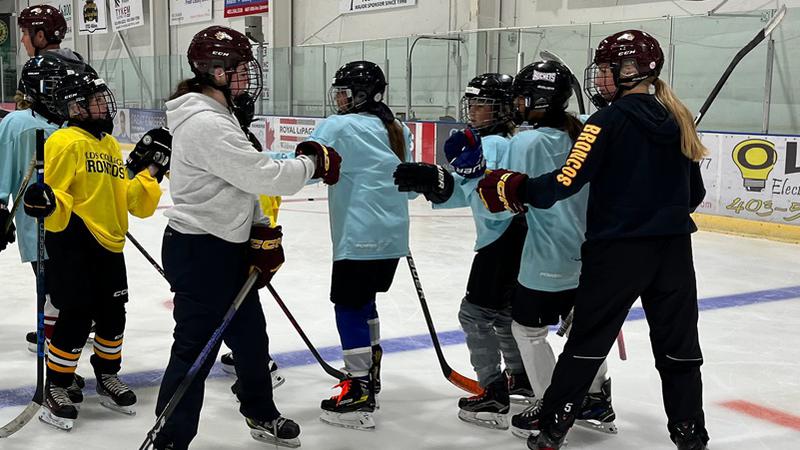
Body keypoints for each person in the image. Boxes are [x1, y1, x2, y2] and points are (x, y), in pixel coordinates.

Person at [477, 30, 708, 450]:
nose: (599, 79)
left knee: (586, 344)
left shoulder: (606, 121)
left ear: (631, 70)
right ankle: (690, 433)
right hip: (674, 253)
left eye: (606, 69)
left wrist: (517, 187)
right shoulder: (679, 118)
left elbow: (564, 182)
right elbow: (694, 195)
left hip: (617, 253)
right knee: (679, 348)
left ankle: (552, 429)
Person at [153, 26, 340, 449]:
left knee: (251, 340)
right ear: (217, 71)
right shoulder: (205, 122)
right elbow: (262, 175)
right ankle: (169, 439)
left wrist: (259, 230)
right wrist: (311, 164)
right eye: (240, 69)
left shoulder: (219, 116)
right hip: (201, 249)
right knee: (195, 351)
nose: (247, 77)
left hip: (224, 246)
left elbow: (240, 184)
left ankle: (260, 412)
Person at [22, 70, 165, 431]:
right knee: (76, 315)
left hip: (110, 244)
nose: (104, 105)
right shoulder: (64, 140)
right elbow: (55, 195)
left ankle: (107, 375)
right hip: (74, 242)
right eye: (96, 100)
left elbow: (130, 200)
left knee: (114, 314)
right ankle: (57, 384)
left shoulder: (109, 145)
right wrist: (46, 201)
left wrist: (149, 172)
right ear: (75, 107)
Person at [393, 73, 533, 430]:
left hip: (501, 240)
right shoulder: (498, 141)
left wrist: (440, 184)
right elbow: (471, 188)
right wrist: (436, 184)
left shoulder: (495, 145)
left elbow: (490, 198)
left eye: (483, 104)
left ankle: (493, 392)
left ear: (503, 108)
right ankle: (521, 377)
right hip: (512, 238)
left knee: (474, 315)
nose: (474, 110)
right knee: (502, 313)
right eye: (472, 103)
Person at [487, 60, 616, 439]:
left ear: (540, 100)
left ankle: (549, 404)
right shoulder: (584, 132)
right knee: (583, 330)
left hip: (547, 254)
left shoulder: (526, 142)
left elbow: (504, 201)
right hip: (591, 254)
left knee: (527, 329)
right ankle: (596, 398)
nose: (517, 104)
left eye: (523, 97)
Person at [307, 60, 413, 431]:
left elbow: (305, 169)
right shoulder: (397, 128)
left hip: (358, 236)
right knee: (365, 301)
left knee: (349, 305)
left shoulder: (338, 127)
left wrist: (257, 163)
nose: (339, 99)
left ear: (364, 94)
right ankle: (370, 370)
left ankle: (358, 388)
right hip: (393, 237)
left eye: (345, 92)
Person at [0, 53, 89, 406]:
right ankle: (57, 373)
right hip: (42, 232)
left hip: (82, 229)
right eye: (57, 85)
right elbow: (3, 172)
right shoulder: (18, 125)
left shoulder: (74, 125)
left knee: (77, 302)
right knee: (57, 300)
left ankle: (61, 366)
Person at [17, 3, 97, 355]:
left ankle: (61, 329)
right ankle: (74, 318)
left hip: (51, 195)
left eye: (25, 33)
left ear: (39, 35)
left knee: (53, 271)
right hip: (86, 191)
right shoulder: (79, 63)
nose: (22, 41)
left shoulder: (41, 71)